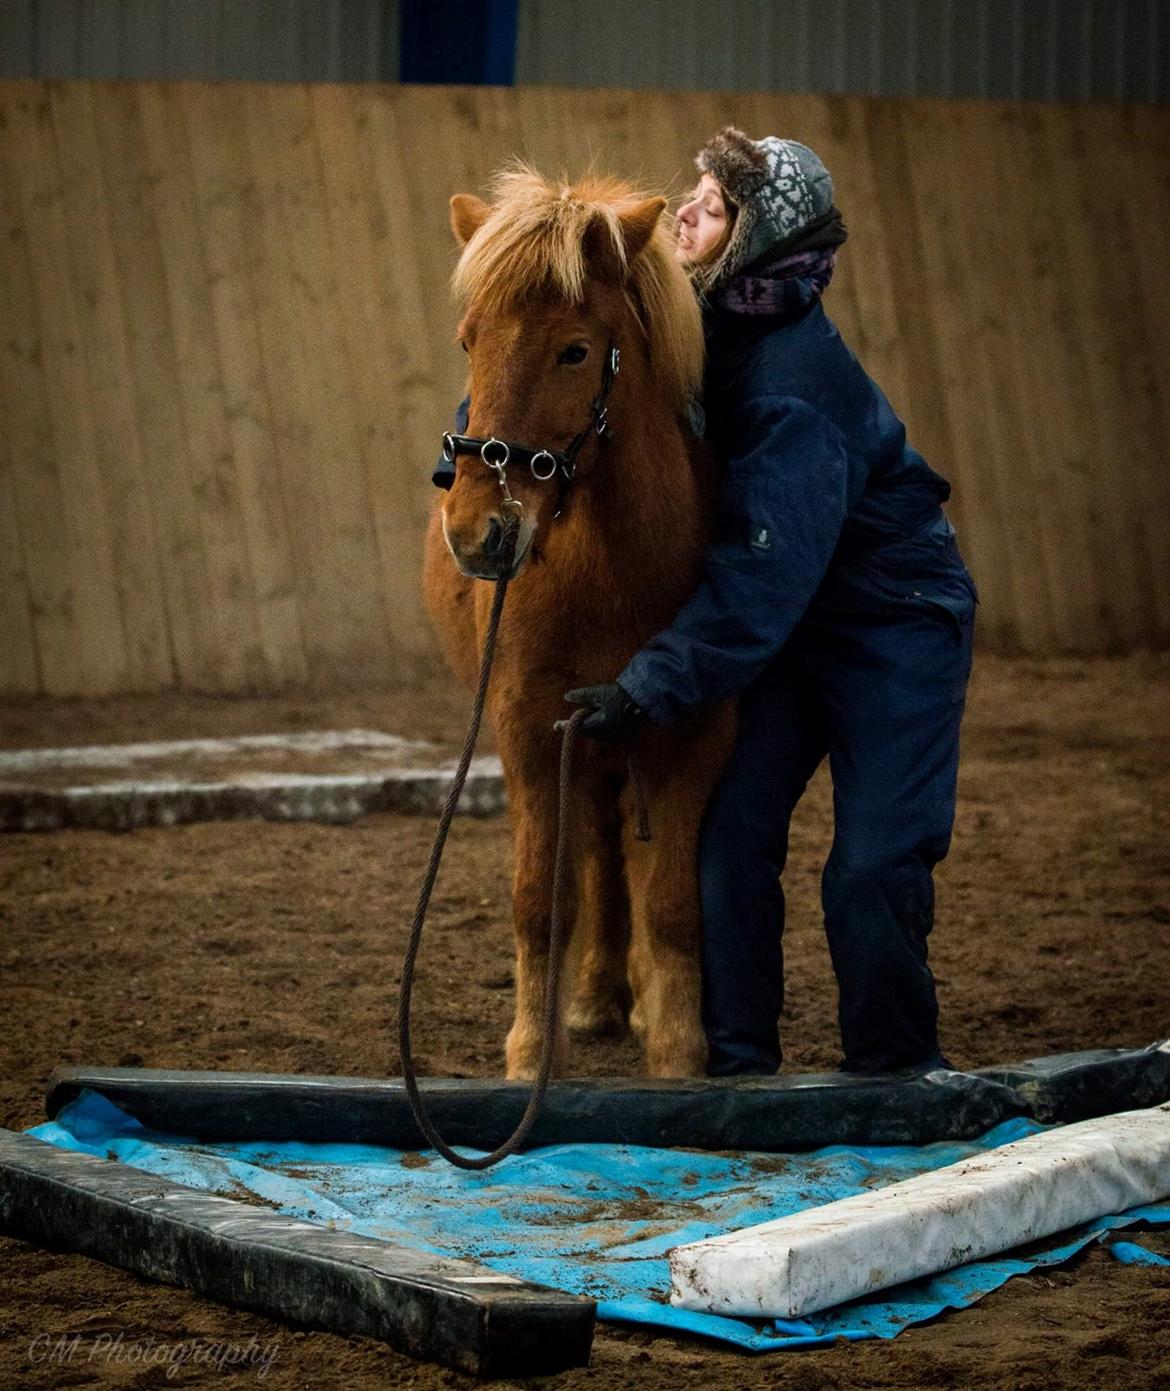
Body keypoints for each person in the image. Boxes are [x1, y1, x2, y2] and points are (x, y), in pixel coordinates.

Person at [566, 128, 978, 1078]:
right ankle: (741, 1069)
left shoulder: (795, 388)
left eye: (715, 208)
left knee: (871, 868)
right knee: (727, 834)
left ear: (759, 242)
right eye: (694, 195)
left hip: (892, 620)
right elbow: (565, 349)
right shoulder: (700, 322)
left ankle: (895, 1077)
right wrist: (476, 441)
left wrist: (649, 684)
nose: (686, 212)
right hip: (798, 622)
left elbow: (760, 578)